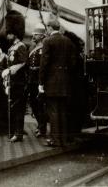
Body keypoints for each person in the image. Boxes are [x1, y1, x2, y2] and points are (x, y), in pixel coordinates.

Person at [39, 18, 76, 147]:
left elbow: (44, 63)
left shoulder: (47, 41)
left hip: (52, 82)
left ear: (49, 28)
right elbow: (73, 63)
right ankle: (63, 139)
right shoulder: (68, 42)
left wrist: (41, 82)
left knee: (53, 111)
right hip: (65, 82)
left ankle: (55, 139)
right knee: (63, 111)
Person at [2, 10, 28, 142]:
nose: (7, 36)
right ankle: (15, 131)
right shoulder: (13, 47)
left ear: (14, 33)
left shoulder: (21, 46)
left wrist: (11, 69)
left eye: (9, 33)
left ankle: (18, 133)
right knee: (13, 107)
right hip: (12, 81)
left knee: (18, 108)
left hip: (19, 82)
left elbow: (23, 62)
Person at [27, 23, 48, 138]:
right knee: (33, 103)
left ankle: (42, 127)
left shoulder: (45, 47)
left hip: (39, 79)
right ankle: (40, 124)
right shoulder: (32, 48)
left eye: (36, 35)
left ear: (41, 36)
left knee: (40, 105)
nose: (33, 36)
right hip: (32, 78)